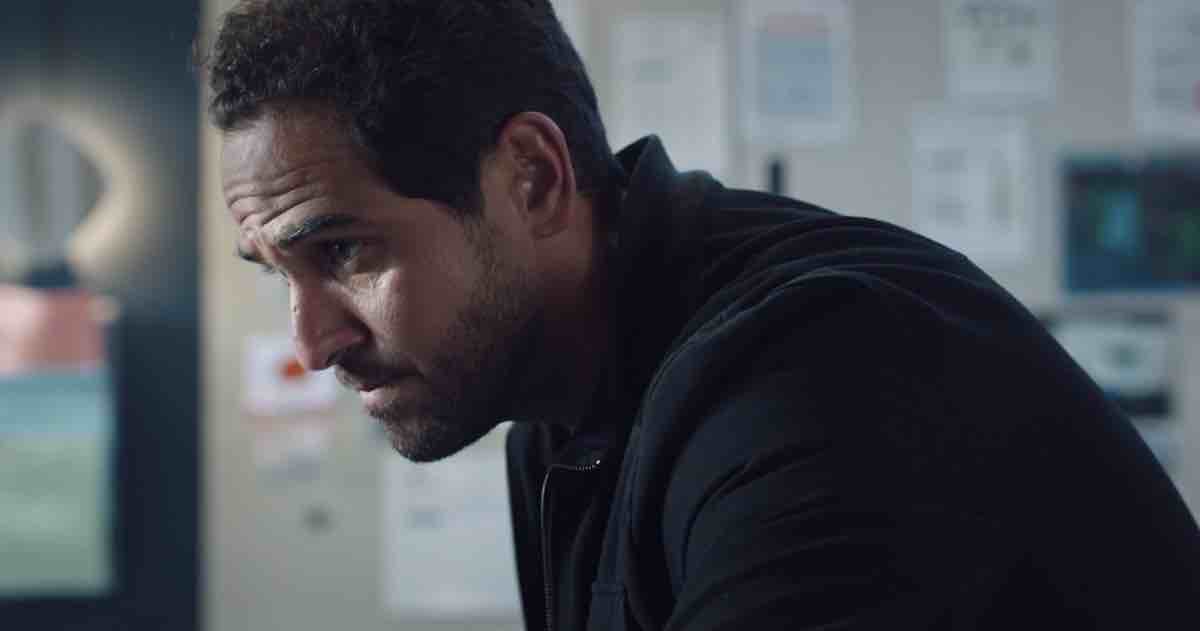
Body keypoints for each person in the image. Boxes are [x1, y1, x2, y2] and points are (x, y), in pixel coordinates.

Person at [203, 1, 1200, 629]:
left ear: (533, 179)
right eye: (277, 272)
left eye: (343, 251)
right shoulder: (556, 411)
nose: (312, 342)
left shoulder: (820, 377)